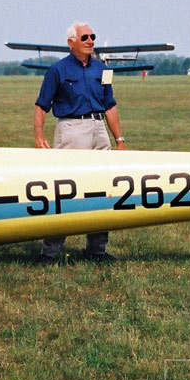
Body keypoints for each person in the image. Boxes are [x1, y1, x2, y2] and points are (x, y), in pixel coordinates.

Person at [33, 21, 126, 264]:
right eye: (85, 37)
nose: (90, 41)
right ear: (71, 42)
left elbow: (110, 105)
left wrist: (119, 139)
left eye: (93, 36)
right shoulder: (57, 70)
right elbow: (42, 104)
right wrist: (38, 135)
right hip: (72, 129)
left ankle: (97, 250)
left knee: (104, 188)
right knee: (65, 190)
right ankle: (49, 253)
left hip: (99, 129)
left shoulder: (102, 69)